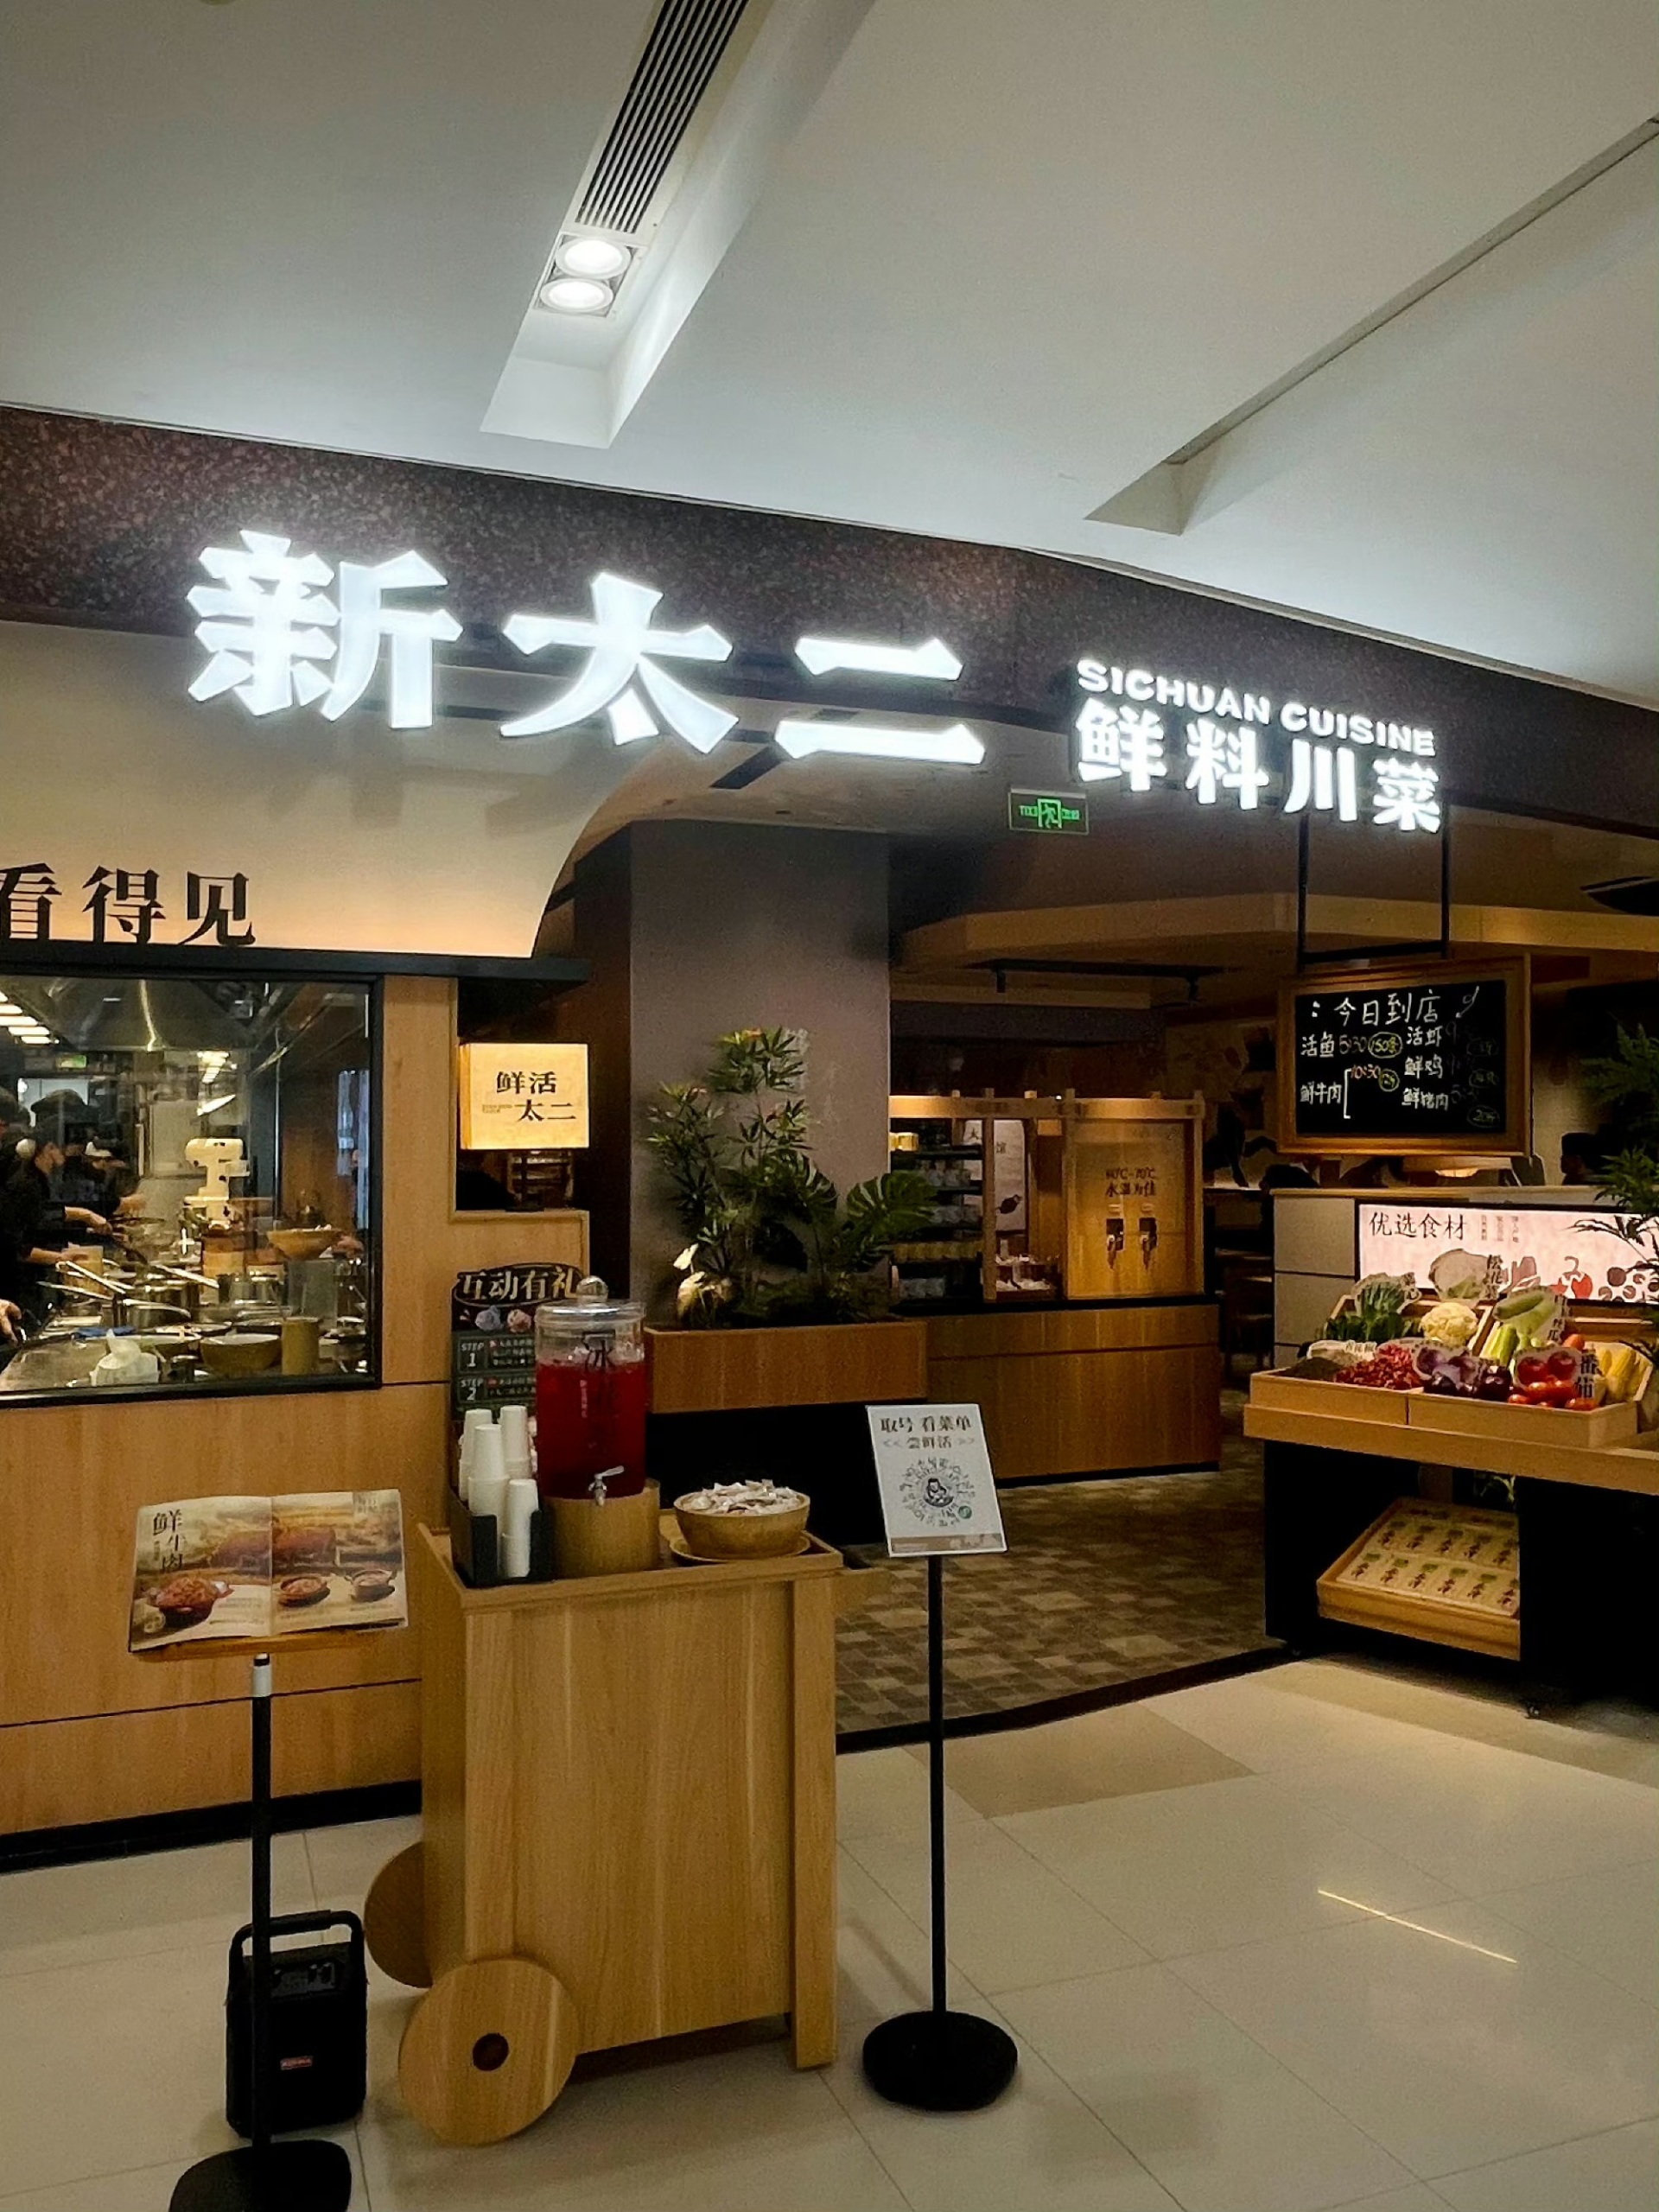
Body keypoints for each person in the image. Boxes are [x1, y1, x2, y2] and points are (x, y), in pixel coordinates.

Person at [0, 1138, 111, 1326]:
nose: (66, 1153)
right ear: (48, 1148)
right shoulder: (25, 1183)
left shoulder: (34, 1179)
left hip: (25, 1282)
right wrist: (61, 1257)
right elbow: (19, 1248)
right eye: (61, 1147)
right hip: (18, 1285)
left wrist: (84, 1219)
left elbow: (42, 1219)